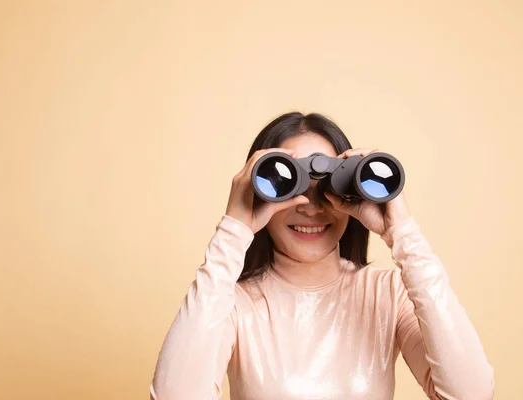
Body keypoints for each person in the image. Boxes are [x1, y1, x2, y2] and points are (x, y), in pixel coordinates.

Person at [149, 112, 494, 400]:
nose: (312, 208)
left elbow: (471, 394)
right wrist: (234, 230)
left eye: (328, 187)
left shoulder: (388, 295)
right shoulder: (234, 304)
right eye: (290, 186)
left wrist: (402, 231)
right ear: (256, 191)